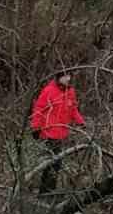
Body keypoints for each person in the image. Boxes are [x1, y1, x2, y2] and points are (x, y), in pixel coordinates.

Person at [29, 68, 86, 196]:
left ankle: (47, 191)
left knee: (55, 164)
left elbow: (73, 110)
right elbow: (39, 109)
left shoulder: (70, 92)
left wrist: (81, 122)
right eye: (65, 76)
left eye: (69, 76)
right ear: (59, 77)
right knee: (53, 162)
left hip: (62, 133)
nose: (68, 79)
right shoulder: (49, 91)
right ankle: (45, 191)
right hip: (49, 132)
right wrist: (36, 127)